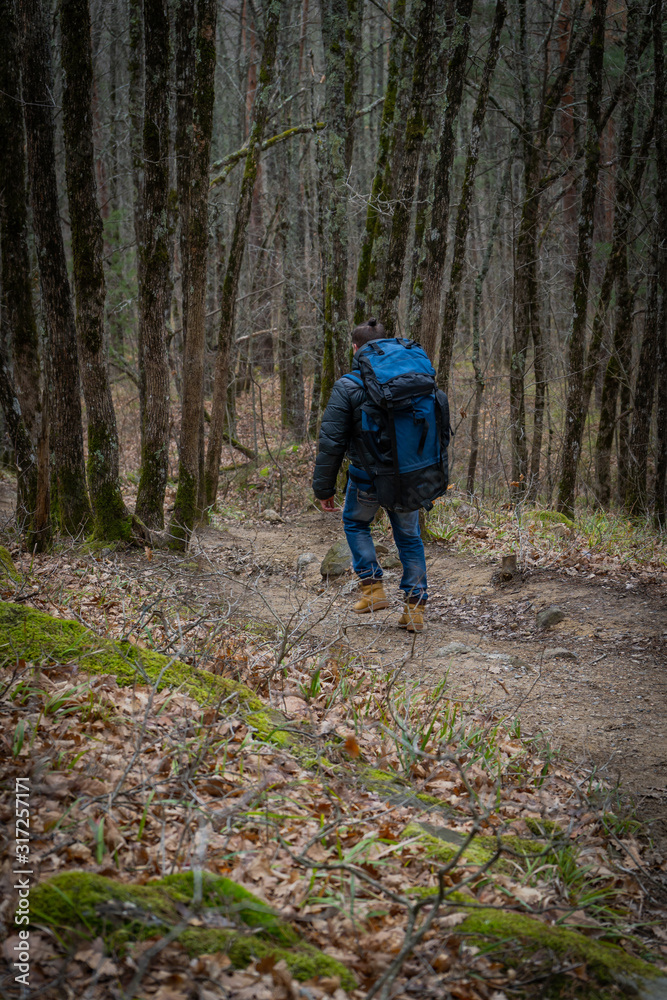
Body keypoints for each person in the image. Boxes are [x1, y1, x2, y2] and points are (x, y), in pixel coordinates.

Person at [312, 318, 428, 632]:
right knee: (409, 538)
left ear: (355, 348)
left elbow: (331, 441)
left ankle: (373, 590)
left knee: (355, 522)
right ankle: (415, 610)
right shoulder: (412, 378)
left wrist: (323, 488)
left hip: (368, 476)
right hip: (411, 475)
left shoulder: (348, 385)